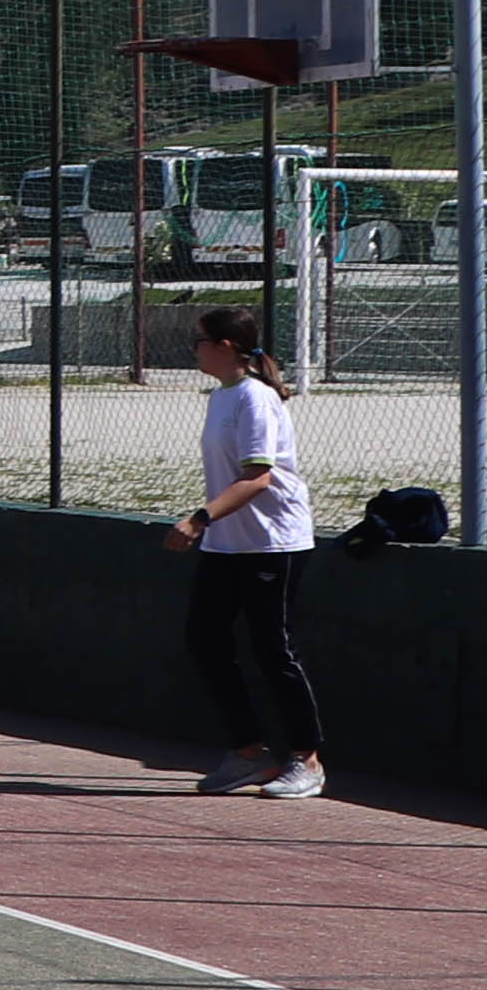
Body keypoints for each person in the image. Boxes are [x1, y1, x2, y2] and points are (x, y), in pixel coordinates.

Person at [162, 302, 322, 799]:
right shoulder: (221, 397)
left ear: (225, 347)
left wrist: (199, 519)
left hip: (273, 542)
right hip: (227, 544)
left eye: (199, 341)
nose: (194, 350)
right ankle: (249, 755)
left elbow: (258, 477)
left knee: (274, 650)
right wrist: (212, 526)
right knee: (204, 641)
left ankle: (307, 761)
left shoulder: (255, 399)